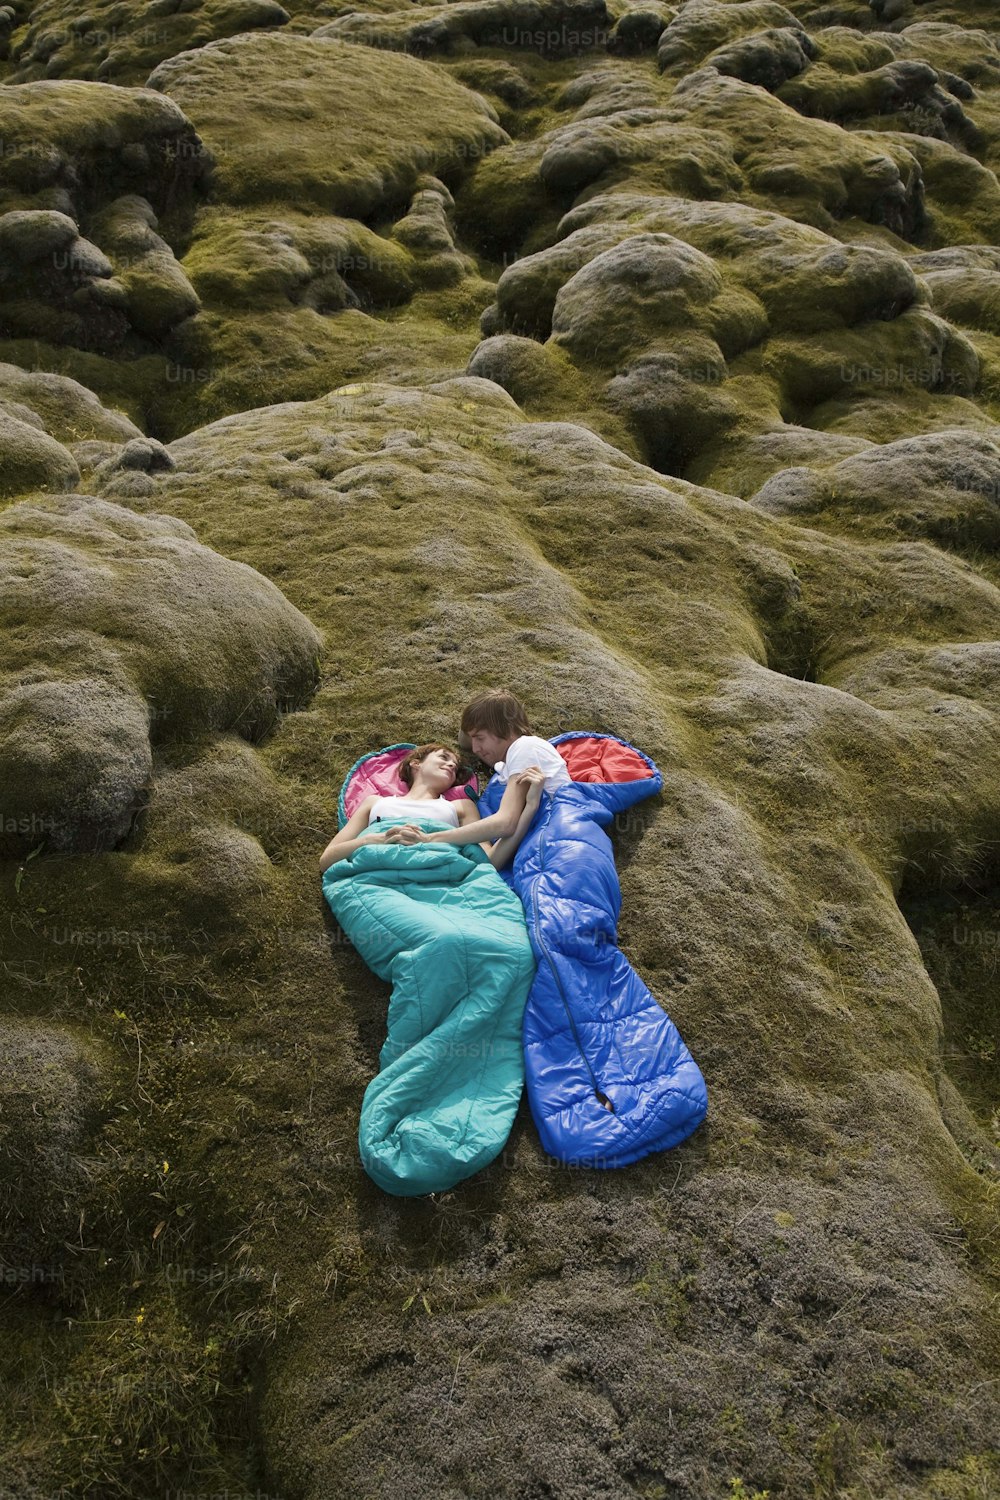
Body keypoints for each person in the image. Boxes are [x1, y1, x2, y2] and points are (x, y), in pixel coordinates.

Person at [319, 743, 545, 873]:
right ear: (415, 764)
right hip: (381, 875)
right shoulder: (375, 802)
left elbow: (491, 861)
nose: (451, 765)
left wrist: (530, 808)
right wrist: (375, 839)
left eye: (455, 767)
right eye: (443, 757)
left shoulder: (461, 806)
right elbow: (327, 859)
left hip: (441, 877)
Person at [459, 688, 571, 794]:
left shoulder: (524, 748)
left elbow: (508, 814)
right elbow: (464, 741)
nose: (475, 749)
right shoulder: (508, 760)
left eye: (480, 738)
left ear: (508, 729)